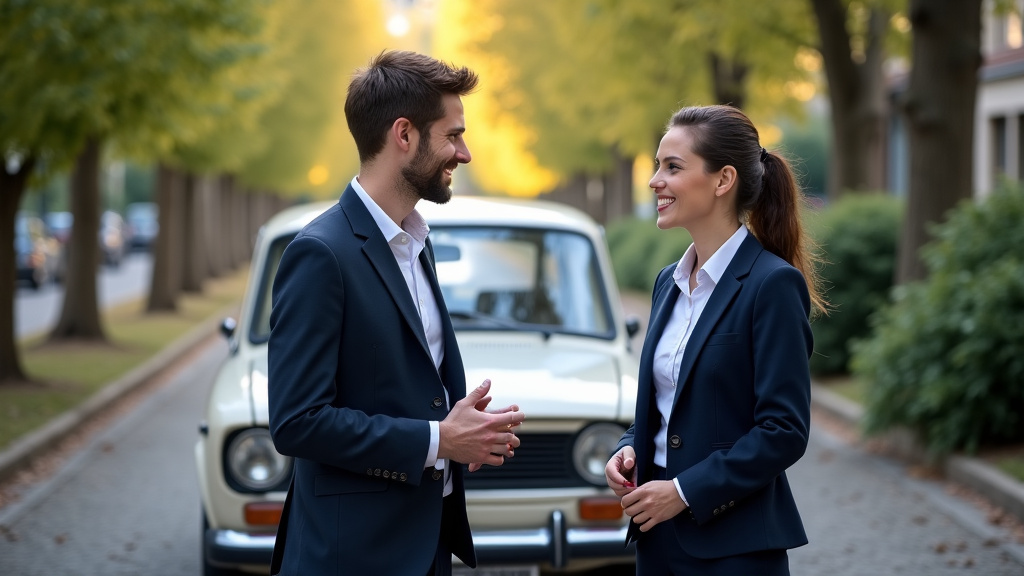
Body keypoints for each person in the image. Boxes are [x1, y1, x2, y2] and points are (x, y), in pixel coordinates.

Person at [267, 50, 525, 576]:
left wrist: (463, 434)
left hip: (424, 546)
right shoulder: (320, 254)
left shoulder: (414, 242)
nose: (465, 153)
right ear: (403, 135)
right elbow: (296, 422)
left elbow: (398, 385)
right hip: (352, 558)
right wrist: (438, 440)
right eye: (453, 135)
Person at [604, 104, 826, 575]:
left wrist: (684, 491)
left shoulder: (772, 284)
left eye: (673, 167)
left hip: (734, 550)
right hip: (656, 538)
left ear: (723, 180)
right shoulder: (669, 282)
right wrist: (630, 446)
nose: (654, 181)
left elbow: (784, 431)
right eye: (656, 166)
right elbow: (670, 400)